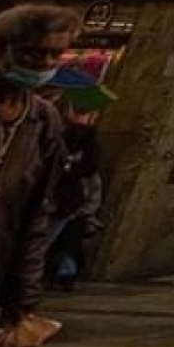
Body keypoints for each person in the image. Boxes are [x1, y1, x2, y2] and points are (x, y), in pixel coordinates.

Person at [0, 5, 76, 347]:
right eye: (33, 52)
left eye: (55, 54)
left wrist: (22, 305)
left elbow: (35, 217)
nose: (45, 63)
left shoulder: (43, 121)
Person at [39, 92, 101, 292]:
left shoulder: (85, 137)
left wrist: (68, 167)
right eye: (79, 111)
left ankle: (62, 275)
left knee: (45, 244)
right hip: (43, 197)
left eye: (86, 112)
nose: (83, 116)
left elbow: (90, 166)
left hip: (65, 201)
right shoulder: (49, 129)